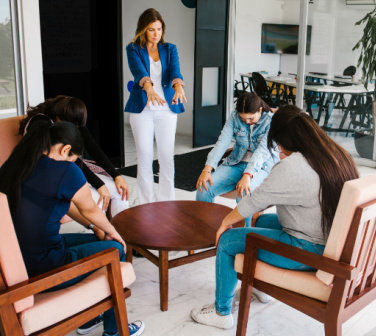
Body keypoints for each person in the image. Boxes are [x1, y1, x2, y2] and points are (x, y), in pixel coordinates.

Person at [190, 105, 359, 329]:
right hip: (327, 238)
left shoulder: (293, 166)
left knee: (227, 240)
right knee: (260, 222)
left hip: (309, 250)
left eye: (277, 142)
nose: (277, 147)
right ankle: (260, 288)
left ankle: (221, 313)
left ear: (284, 139)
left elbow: (252, 201)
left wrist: (224, 222)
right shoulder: (334, 154)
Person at [0, 121, 144, 336]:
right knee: (116, 249)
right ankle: (114, 331)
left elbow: (67, 205)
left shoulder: (20, 163)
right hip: (47, 268)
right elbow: (91, 211)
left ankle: (92, 314)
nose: (73, 163)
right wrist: (114, 232)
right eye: (74, 159)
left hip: (26, 258)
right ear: (66, 149)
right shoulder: (65, 170)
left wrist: (94, 227)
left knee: (100, 240)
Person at [19, 95, 129, 217]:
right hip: (47, 175)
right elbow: (70, 159)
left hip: (68, 169)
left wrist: (117, 175)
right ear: (59, 117)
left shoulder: (68, 118)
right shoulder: (42, 124)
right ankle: (102, 232)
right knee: (98, 196)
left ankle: (120, 233)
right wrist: (99, 184)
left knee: (120, 190)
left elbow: (92, 148)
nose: (76, 129)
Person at [124, 8, 187, 204]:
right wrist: (149, 89)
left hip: (167, 110)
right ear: (143, 30)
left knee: (167, 158)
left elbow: (175, 70)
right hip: (143, 110)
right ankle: (146, 204)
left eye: (159, 29)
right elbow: (138, 71)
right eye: (151, 29)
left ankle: (167, 202)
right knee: (144, 157)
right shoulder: (133, 48)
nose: (156, 34)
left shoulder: (170, 49)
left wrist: (178, 87)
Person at [196, 92, 279, 227]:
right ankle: (205, 229)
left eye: (251, 118)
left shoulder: (272, 121)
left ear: (259, 110)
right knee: (203, 188)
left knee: (244, 194)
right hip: (237, 162)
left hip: (262, 166)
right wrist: (208, 168)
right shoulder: (234, 118)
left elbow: (263, 151)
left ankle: (245, 234)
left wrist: (247, 175)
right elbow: (222, 142)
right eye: (243, 118)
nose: (247, 121)